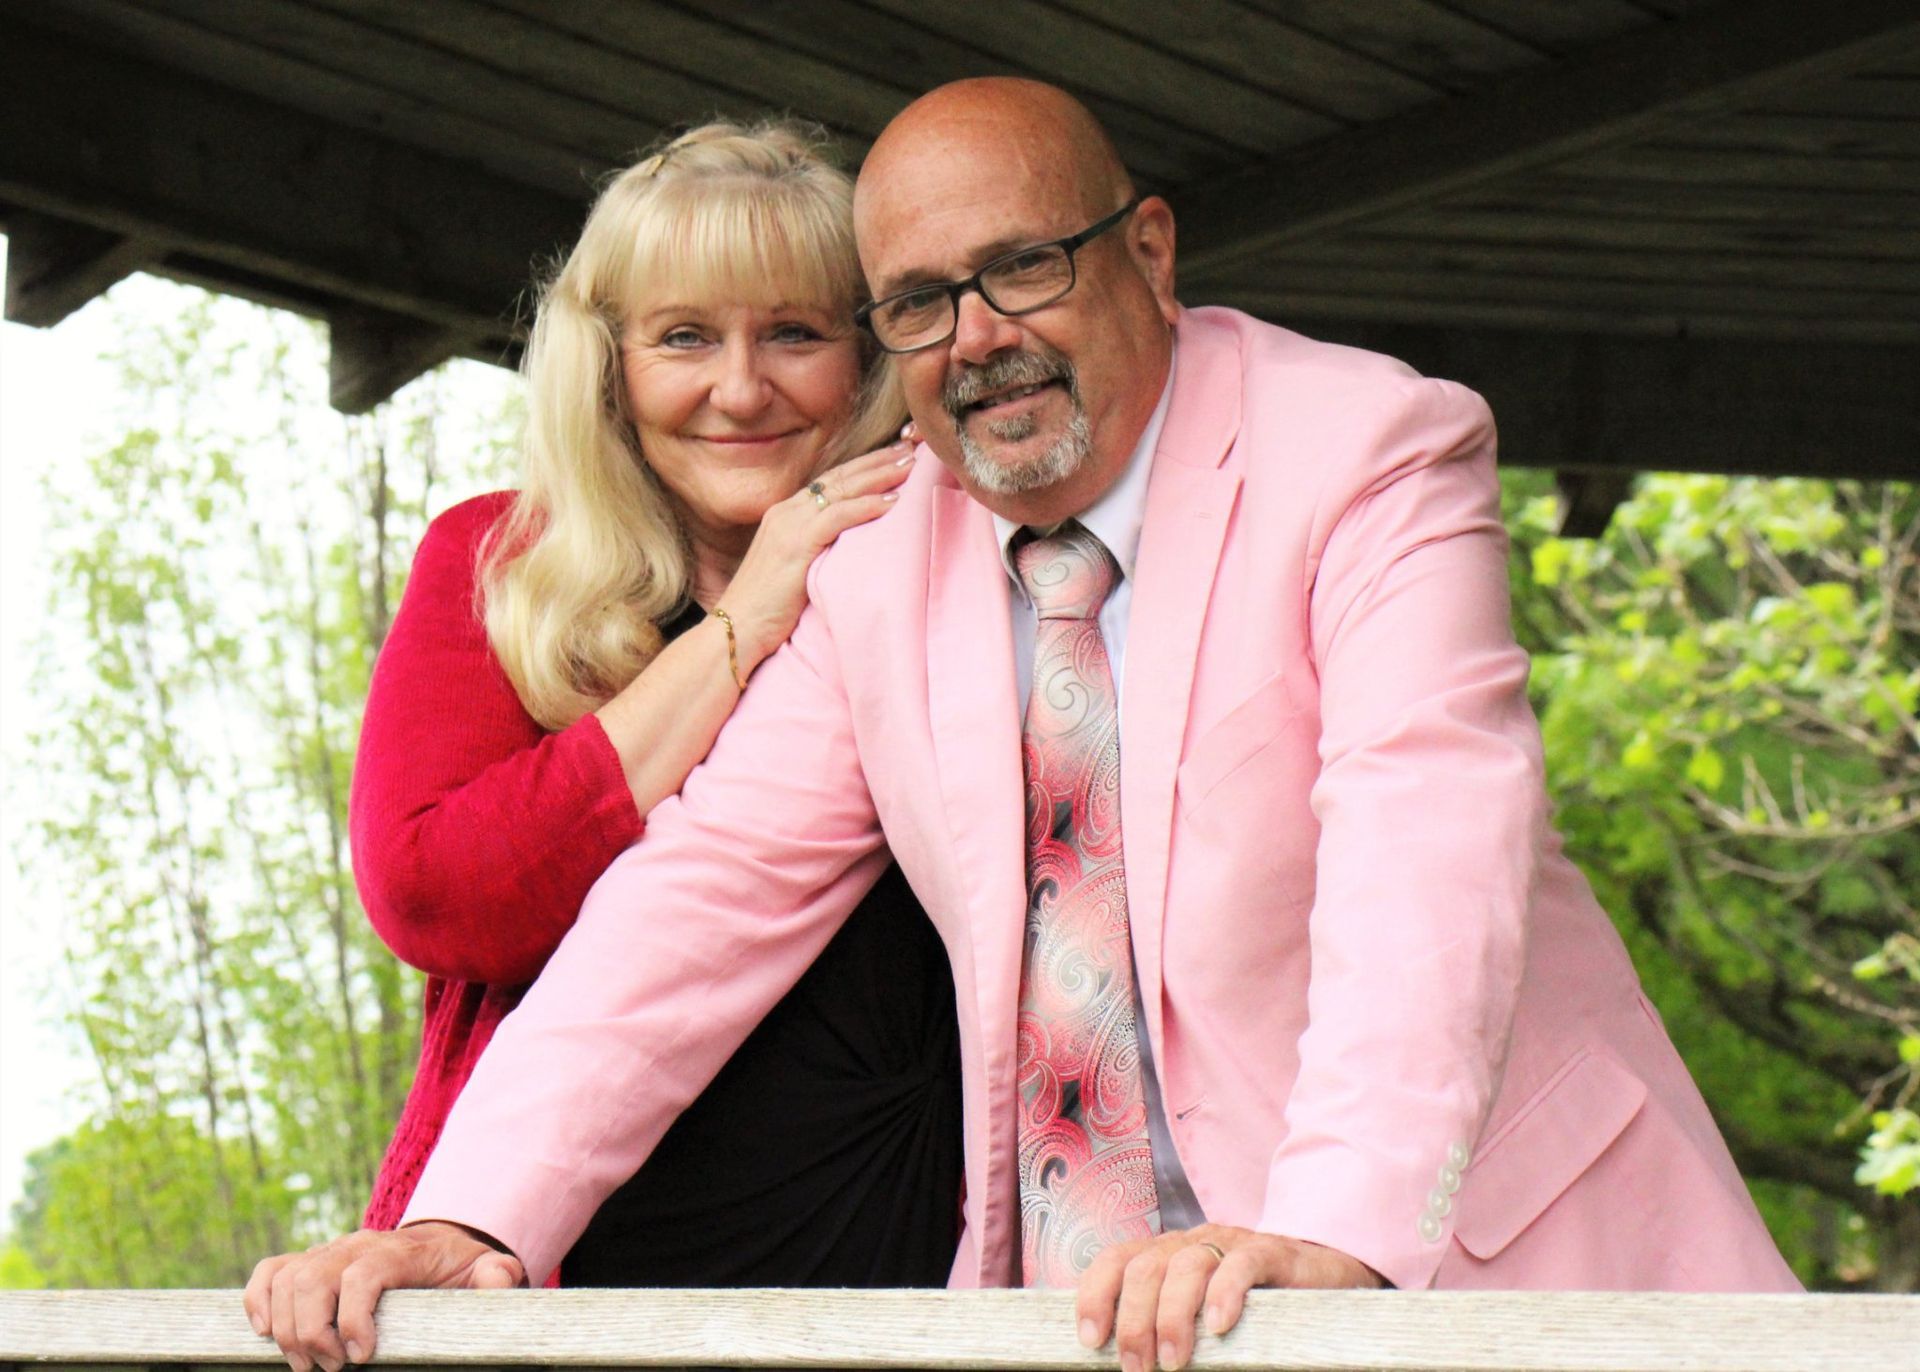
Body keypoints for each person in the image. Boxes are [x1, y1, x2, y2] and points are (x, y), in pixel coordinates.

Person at [248, 77, 1799, 1372]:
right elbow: (695, 902)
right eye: (918, 303)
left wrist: (1330, 1234)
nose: (976, 335)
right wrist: (473, 1221)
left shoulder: (1369, 448)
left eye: (1022, 268)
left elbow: (1429, 850)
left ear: (1149, 251)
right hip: (1074, 1313)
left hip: (1468, 1263)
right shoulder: (875, 555)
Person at [249, 118, 964, 1360]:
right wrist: (744, 621)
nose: (740, 388)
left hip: (916, 1261)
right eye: (685, 336)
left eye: (793, 332)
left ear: (865, 357)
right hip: (560, 1274)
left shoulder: (946, 569)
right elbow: (436, 892)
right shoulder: (504, 566)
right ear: (609, 363)